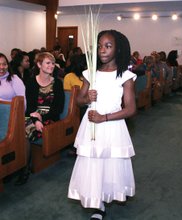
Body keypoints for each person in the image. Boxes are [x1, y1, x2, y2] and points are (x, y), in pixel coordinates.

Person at [68, 30, 137, 219]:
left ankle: (107, 194)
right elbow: (79, 101)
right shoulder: (90, 73)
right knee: (93, 164)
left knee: (110, 164)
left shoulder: (126, 76)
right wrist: (86, 97)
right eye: (100, 46)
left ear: (118, 49)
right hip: (91, 125)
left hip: (112, 124)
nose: (102, 50)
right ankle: (98, 205)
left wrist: (104, 117)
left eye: (108, 46)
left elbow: (131, 109)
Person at [15, 52, 64, 185]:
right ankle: (19, 165)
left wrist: (41, 117)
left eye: (53, 63)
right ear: (39, 64)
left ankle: (23, 170)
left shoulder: (58, 84)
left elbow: (57, 109)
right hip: (32, 116)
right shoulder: (31, 82)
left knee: (25, 131)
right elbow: (29, 106)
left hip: (50, 118)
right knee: (17, 128)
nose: (51, 66)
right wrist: (36, 120)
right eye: (48, 63)